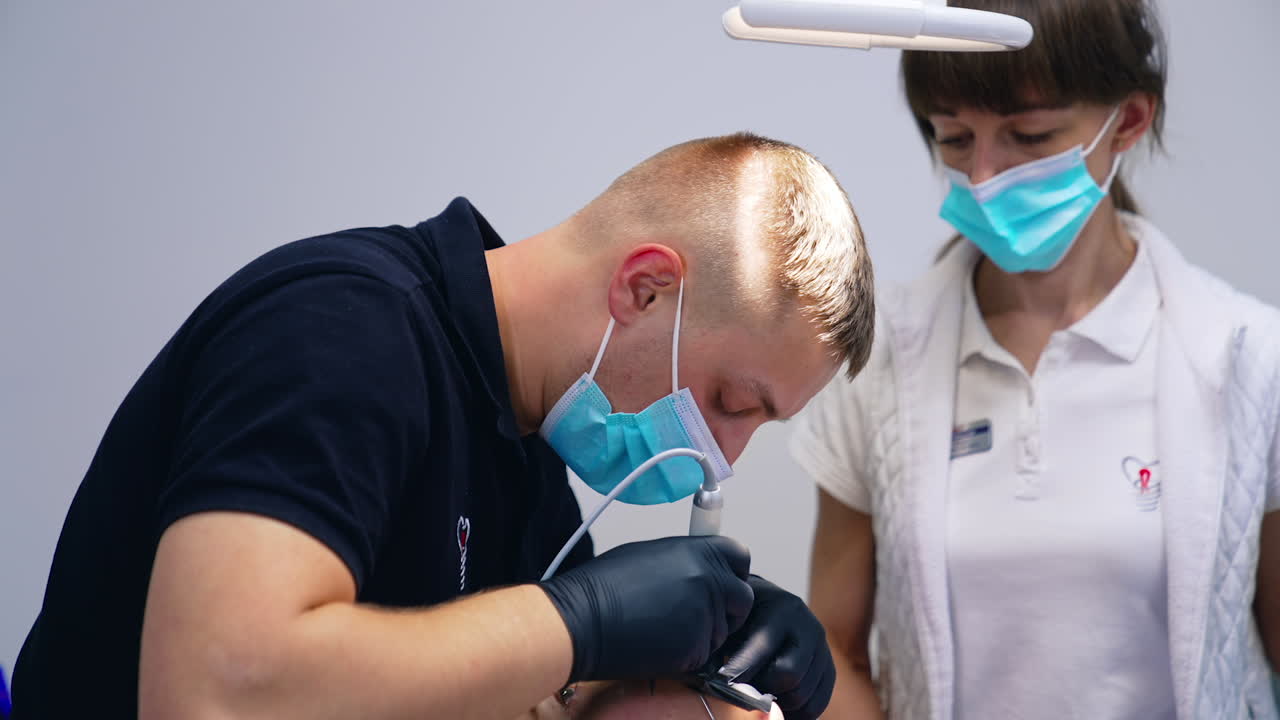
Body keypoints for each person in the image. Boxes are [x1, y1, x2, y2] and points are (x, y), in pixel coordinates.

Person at [13, 132, 874, 720]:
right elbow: (218, 693)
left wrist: (689, 658)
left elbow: (493, 690)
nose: (722, 455)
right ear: (644, 288)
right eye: (731, 401)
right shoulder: (342, 332)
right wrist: (577, 625)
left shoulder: (525, 457)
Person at [793, 1, 1280, 718]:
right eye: (954, 137)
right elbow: (830, 647)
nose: (984, 175)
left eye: (1030, 135)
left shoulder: (1249, 358)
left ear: (1130, 122)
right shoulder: (883, 359)